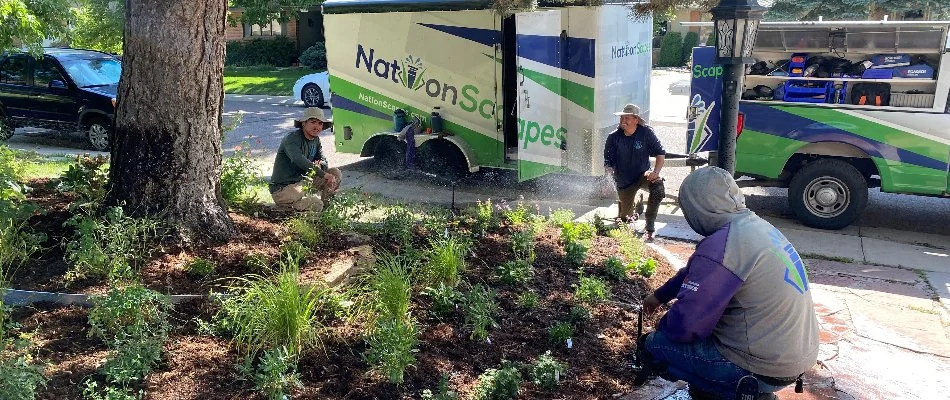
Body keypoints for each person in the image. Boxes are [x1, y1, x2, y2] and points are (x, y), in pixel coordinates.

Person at [638, 166, 819, 400]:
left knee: (655, 346)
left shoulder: (721, 246)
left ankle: (737, 391)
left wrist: (661, 332)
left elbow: (686, 325)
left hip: (758, 366)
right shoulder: (754, 228)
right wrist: (660, 296)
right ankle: (731, 388)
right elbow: (695, 272)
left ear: (696, 207)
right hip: (796, 358)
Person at [604, 103, 666, 242]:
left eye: (627, 118)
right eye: (622, 117)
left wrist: (655, 172)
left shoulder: (646, 133)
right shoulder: (613, 137)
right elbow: (608, 164)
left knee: (658, 187)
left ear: (636, 120)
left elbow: (660, 154)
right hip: (624, 181)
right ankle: (637, 206)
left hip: (643, 175)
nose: (623, 121)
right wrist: (608, 182)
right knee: (625, 221)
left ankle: (650, 228)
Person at [269, 107, 342, 212]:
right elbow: (298, 159)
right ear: (304, 123)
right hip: (283, 189)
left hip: (303, 183)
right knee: (316, 204)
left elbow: (323, 160)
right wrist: (323, 174)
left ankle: (327, 211)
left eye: (320, 123)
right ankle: (284, 207)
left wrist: (321, 165)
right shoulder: (292, 138)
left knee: (335, 173)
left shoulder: (316, 140)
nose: (317, 127)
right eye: (313, 122)